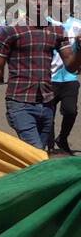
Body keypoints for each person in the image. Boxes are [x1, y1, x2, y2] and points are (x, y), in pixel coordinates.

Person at [0, 0, 81, 149]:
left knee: (37, 156)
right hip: (19, 102)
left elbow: (71, 66)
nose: (39, 3)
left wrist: (79, 47)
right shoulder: (10, 30)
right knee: (37, 153)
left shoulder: (57, 30)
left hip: (47, 104)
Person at [46, 13, 80, 155]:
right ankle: (50, 145)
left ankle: (62, 138)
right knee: (49, 113)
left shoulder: (78, 24)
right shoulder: (46, 22)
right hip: (50, 76)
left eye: (65, 1)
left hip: (70, 77)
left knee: (71, 111)